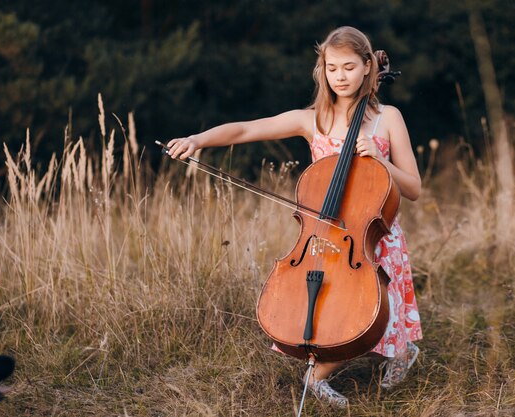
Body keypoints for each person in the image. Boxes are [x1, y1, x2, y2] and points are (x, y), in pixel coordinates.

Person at [166, 26, 423, 408]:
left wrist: (381, 160)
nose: (341, 76)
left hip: (372, 234)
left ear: (369, 67)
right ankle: (324, 370)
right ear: (323, 69)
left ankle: (398, 353)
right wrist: (198, 140)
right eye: (332, 67)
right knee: (340, 305)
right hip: (325, 236)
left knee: (378, 306)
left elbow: (414, 187)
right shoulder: (311, 120)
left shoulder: (388, 118)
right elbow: (248, 128)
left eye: (350, 67)